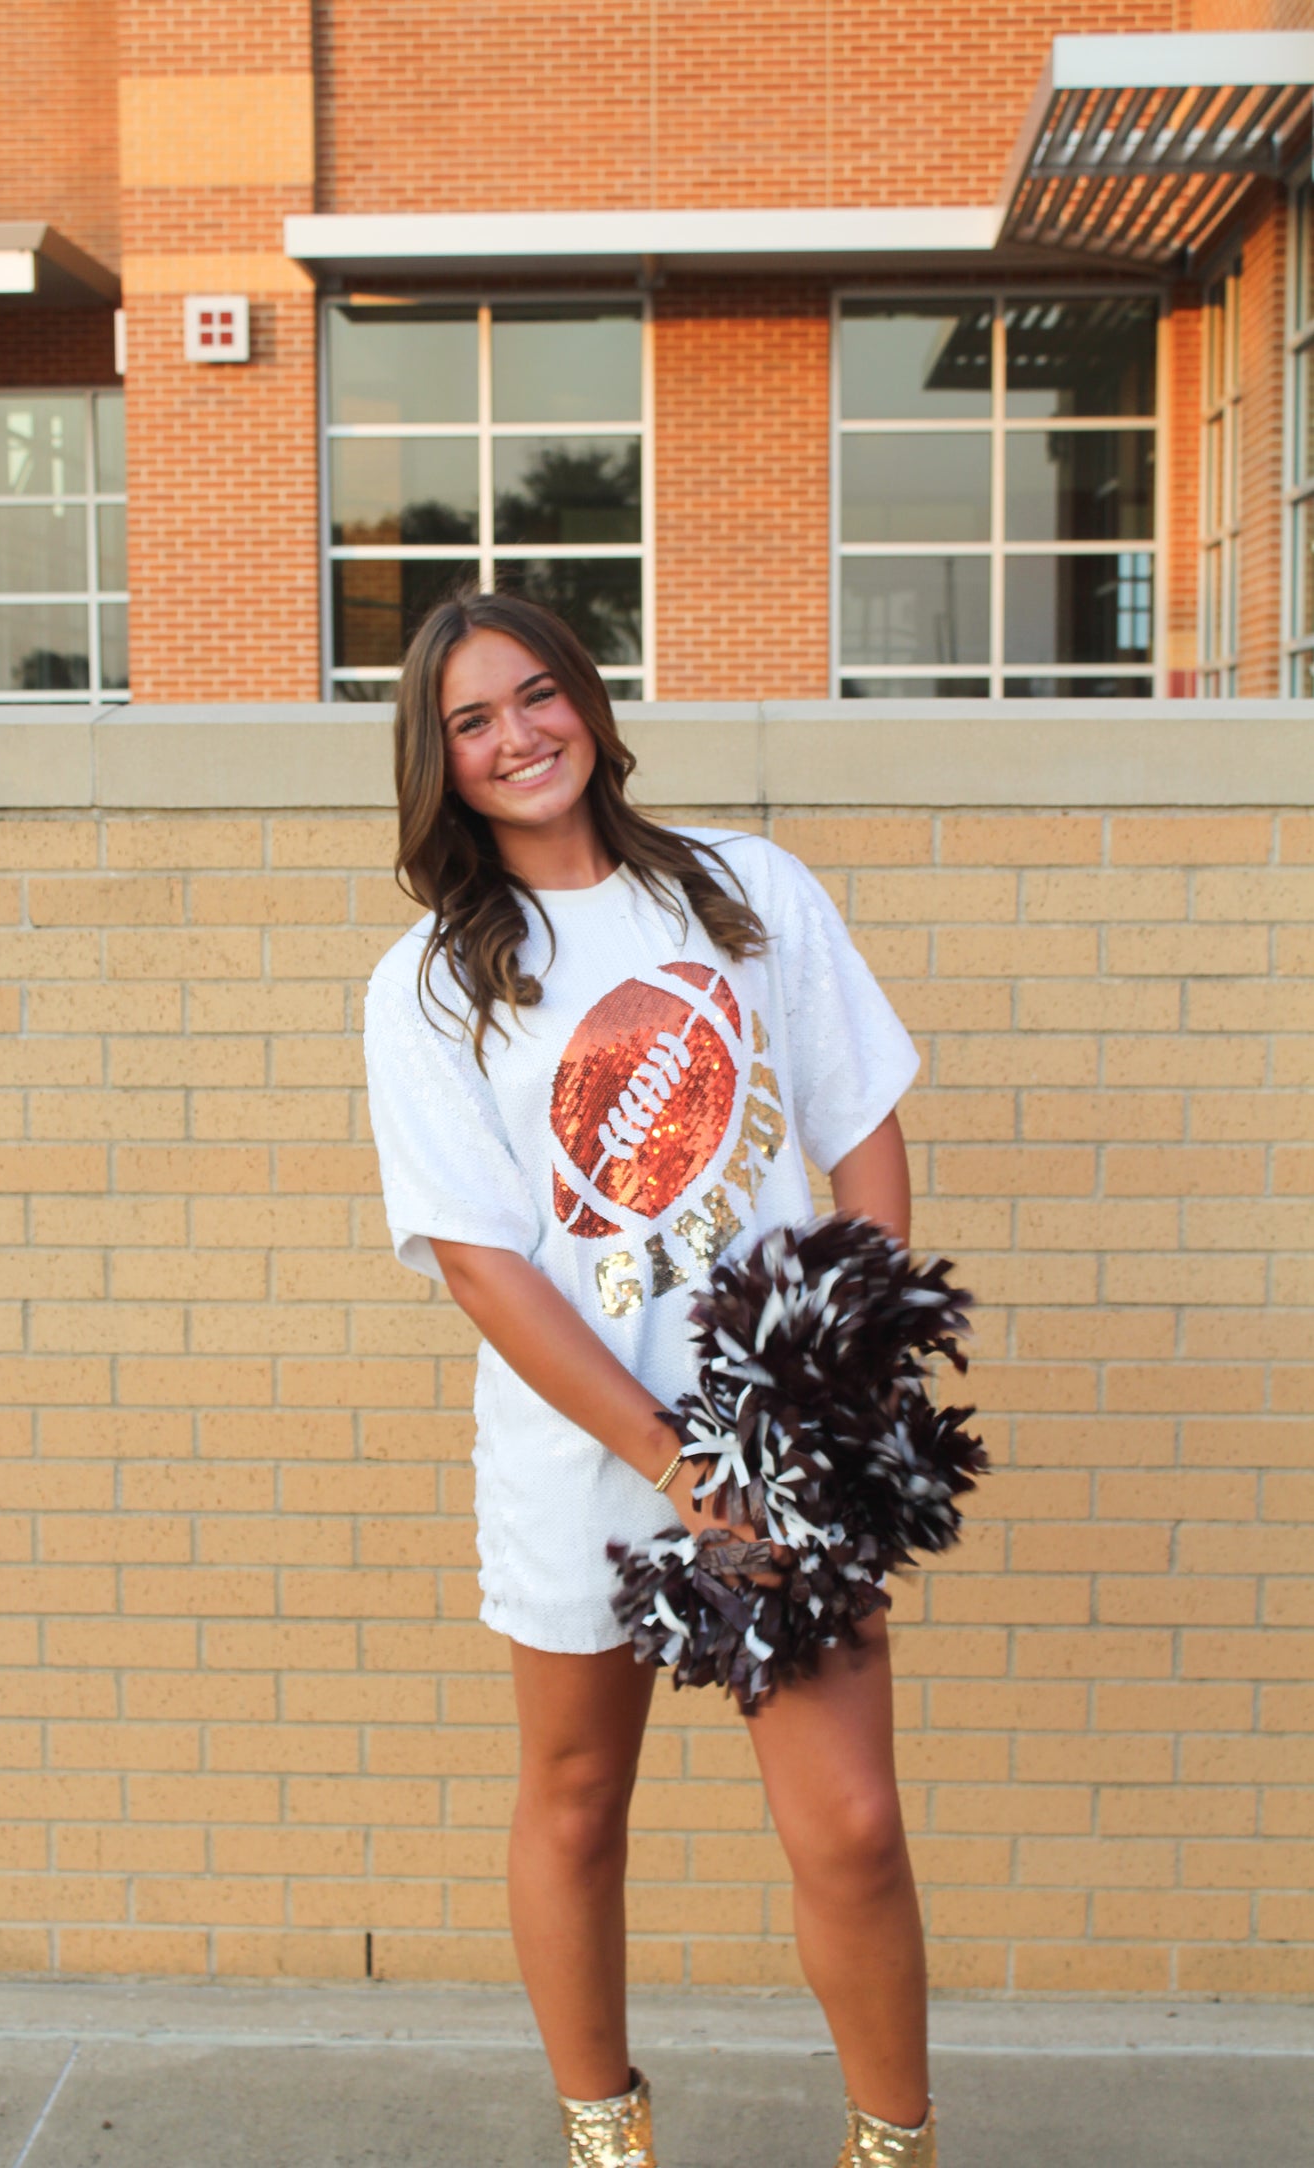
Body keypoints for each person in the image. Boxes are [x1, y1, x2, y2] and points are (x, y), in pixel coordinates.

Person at [362, 586, 937, 2168]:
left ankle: (895, 2147)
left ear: (590, 706)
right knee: (574, 1800)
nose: (515, 737)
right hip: (586, 1454)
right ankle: (607, 2141)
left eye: (535, 695)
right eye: (470, 721)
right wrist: (683, 1466)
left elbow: (860, 1122)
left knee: (854, 1827)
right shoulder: (428, 982)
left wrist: (848, 1366)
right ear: (439, 761)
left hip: (785, 1439)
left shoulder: (746, 891)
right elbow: (483, 1260)